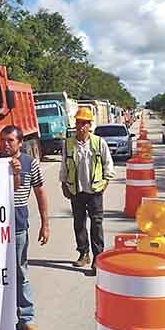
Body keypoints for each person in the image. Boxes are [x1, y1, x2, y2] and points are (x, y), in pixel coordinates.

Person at [0, 125, 49, 330]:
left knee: (20, 270)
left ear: (20, 142)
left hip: (18, 225)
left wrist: (45, 224)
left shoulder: (29, 163)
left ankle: (26, 317)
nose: (5, 144)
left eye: (10, 140)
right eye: (2, 140)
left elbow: (40, 193)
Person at [60, 106, 115, 270]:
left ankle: (98, 257)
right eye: (78, 122)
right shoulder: (68, 144)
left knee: (96, 224)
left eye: (84, 123)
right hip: (76, 191)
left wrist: (105, 182)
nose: (81, 126)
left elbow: (108, 164)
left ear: (90, 125)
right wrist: (63, 183)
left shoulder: (99, 142)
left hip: (94, 191)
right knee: (79, 223)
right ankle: (83, 253)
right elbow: (64, 165)